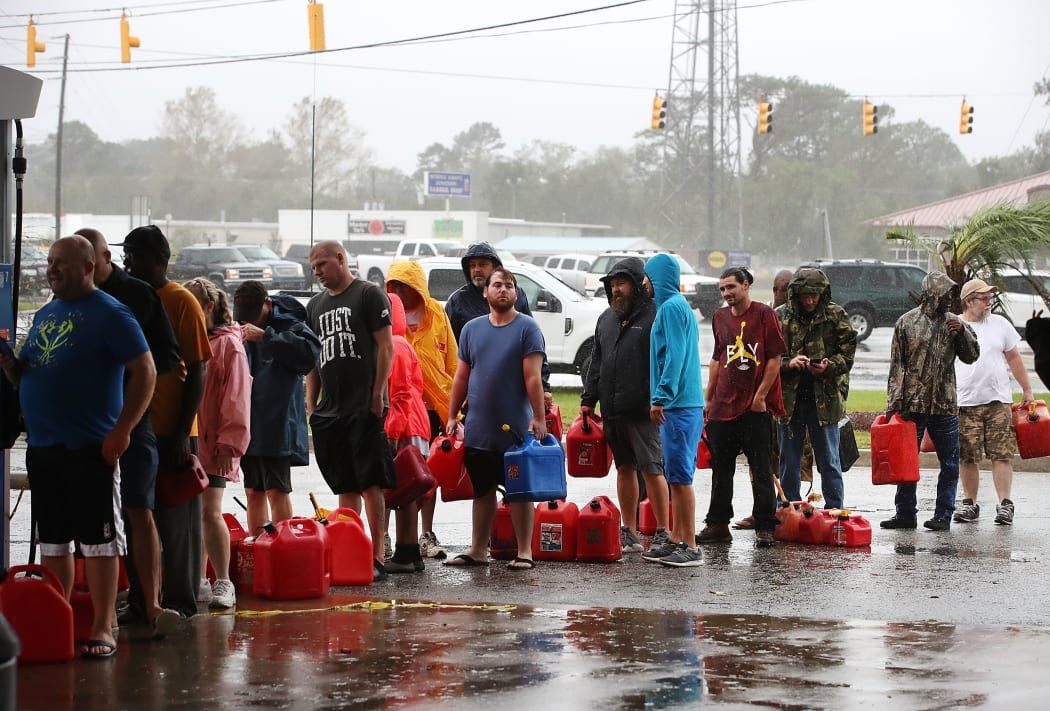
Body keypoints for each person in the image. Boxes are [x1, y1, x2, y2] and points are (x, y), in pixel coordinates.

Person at [0, 235, 156, 659]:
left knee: (99, 542)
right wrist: (13, 370)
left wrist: (124, 429)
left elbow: (146, 370)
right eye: (50, 262)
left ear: (88, 267)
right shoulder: (48, 313)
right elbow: (31, 374)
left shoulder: (111, 313)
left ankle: (104, 626)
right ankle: (61, 615)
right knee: (53, 542)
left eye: (61, 263)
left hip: (92, 448)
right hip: (45, 447)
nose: (52, 269)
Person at [76, 228, 182, 637]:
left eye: (86, 261)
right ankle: (105, 602)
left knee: (139, 509)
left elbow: (168, 362)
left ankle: (149, 602)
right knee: (92, 515)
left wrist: (126, 374)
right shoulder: (69, 299)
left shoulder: (136, 296)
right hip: (85, 423)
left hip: (131, 419)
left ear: (103, 258)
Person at [117, 225, 212, 619]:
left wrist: (180, 431)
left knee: (178, 526)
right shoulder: (125, 299)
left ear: (161, 259)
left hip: (172, 432)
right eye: (125, 255)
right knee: (138, 519)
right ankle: (143, 600)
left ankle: (180, 602)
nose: (127, 263)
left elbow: (199, 368)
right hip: (135, 429)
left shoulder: (180, 301)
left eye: (135, 255)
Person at [443, 267, 547, 570]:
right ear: (486, 292)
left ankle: (524, 551)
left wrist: (539, 418)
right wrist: (452, 415)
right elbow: (461, 376)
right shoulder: (471, 329)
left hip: (515, 428)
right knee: (482, 490)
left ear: (516, 293)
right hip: (479, 428)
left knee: (519, 491)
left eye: (509, 286)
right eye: (497, 285)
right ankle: (478, 550)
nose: (503, 290)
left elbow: (533, 378)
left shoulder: (528, 328)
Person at [305, 240, 396, 581]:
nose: (318, 272)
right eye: (314, 267)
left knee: (370, 482)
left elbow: (386, 347)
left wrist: (378, 392)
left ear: (340, 259)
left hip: (364, 404)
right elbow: (313, 359)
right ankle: (350, 550)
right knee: (344, 484)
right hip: (330, 411)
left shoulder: (368, 294)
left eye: (323, 265)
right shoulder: (314, 306)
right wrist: (311, 405)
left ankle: (377, 555)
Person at [581, 257, 670, 555]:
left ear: (637, 284)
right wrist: (587, 399)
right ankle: (629, 532)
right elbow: (596, 361)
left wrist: (660, 398)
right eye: (612, 284)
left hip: (644, 409)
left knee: (652, 469)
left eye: (622, 283)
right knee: (624, 468)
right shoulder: (606, 318)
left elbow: (666, 361)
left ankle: (663, 532)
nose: (616, 289)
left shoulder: (655, 315)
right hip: (613, 409)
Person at [882, 271, 979, 531]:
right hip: (912, 406)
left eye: (952, 294)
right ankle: (905, 514)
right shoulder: (906, 323)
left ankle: (943, 515)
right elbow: (897, 366)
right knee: (906, 462)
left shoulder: (954, 323)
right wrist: (893, 403)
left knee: (949, 462)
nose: (950, 299)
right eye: (946, 293)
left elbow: (971, 356)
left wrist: (963, 334)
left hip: (944, 405)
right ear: (931, 292)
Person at [698, 267, 787, 548]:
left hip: (753, 408)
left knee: (761, 468)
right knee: (721, 470)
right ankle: (718, 525)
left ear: (746, 285)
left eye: (731, 287)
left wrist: (761, 396)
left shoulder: (764, 315)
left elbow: (774, 359)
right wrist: (709, 398)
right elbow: (717, 358)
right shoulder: (719, 317)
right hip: (723, 406)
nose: (726, 294)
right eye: (722, 289)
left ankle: (764, 526)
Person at [184, 278, 252, 609]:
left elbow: (236, 397)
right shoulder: (194, 340)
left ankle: (223, 581)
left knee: (210, 512)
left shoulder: (228, 346)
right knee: (195, 512)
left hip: (214, 444)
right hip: (191, 439)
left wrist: (230, 445)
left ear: (209, 307)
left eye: (193, 303)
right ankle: (199, 580)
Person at [233, 281, 321, 535]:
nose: (249, 322)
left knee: (276, 489)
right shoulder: (239, 327)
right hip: (246, 419)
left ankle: (282, 547)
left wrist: (266, 337)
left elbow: (309, 355)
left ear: (268, 304)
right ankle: (259, 549)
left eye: (254, 315)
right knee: (253, 490)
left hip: (277, 420)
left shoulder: (289, 323)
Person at [385, 260, 458, 560]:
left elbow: (451, 361)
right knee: (392, 474)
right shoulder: (385, 316)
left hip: (432, 410)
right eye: (394, 285)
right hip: (395, 410)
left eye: (404, 284)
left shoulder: (437, 313)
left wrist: (455, 407)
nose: (399, 290)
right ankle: (387, 537)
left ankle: (424, 534)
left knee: (428, 475)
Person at [636, 254, 705, 567]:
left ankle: (689, 545)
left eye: (647, 276)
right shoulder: (672, 307)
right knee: (676, 475)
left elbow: (674, 356)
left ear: (659, 277)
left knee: (680, 476)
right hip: (681, 403)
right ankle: (677, 539)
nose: (643, 282)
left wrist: (661, 396)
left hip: (679, 404)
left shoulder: (673, 308)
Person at [953, 278, 1035, 525]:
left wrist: (1027, 390)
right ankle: (969, 504)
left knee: (1001, 455)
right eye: (984, 298)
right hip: (965, 402)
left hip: (998, 401)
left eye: (990, 298)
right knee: (968, 456)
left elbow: (1014, 358)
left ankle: (1004, 504)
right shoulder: (955, 326)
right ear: (969, 301)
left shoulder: (1000, 324)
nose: (989, 302)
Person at [775, 267, 857, 509]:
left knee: (829, 461)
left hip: (826, 401)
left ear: (823, 293)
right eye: (805, 296)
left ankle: (834, 510)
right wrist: (789, 363)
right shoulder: (780, 317)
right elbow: (768, 359)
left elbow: (848, 355)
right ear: (795, 294)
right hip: (790, 402)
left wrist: (828, 366)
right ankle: (787, 509)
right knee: (788, 461)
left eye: (815, 295)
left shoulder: (835, 315)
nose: (810, 301)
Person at [444, 241, 551, 404]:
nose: (477, 270)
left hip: (513, 389)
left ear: (495, 268)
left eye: (482, 264)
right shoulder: (458, 301)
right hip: (474, 391)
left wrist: (543, 386)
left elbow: (535, 345)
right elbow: (447, 348)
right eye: (472, 266)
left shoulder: (516, 295)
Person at [735, 267, 796, 530]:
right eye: (775, 288)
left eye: (784, 289)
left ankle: (788, 509)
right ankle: (762, 511)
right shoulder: (764, 316)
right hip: (759, 404)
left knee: (788, 461)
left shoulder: (792, 318)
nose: (779, 293)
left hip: (786, 403)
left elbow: (776, 358)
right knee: (760, 462)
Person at [381, 293, 432, 574]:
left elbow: (399, 393)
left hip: (405, 426)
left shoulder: (395, 346)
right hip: (410, 423)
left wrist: (392, 431)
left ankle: (407, 552)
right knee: (406, 493)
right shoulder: (400, 343)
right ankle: (408, 552)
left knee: (405, 492)